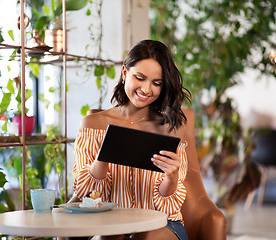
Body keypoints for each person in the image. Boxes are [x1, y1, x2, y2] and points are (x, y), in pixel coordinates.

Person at [72, 39, 192, 240]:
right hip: (109, 224)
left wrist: (172, 177)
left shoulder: (169, 127)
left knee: (143, 237)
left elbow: (169, 202)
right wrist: (104, 155)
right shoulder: (93, 124)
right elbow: (85, 192)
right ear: (125, 73)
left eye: (156, 83)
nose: (147, 89)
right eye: (140, 77)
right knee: (108, 237)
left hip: (161, 224)